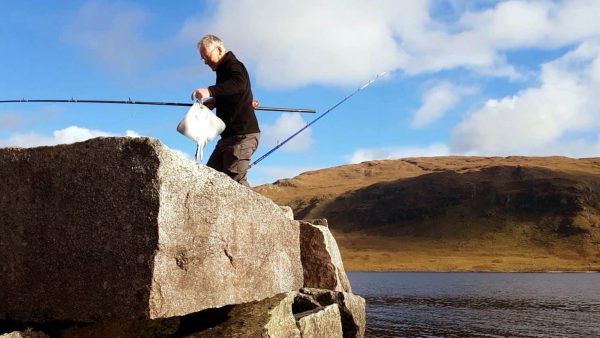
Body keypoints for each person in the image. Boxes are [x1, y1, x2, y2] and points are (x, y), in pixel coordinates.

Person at [191, 34, 260, 187]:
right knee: (209, 178)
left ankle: (260, 211)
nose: (205, 61)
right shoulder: (223, 70)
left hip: (242, 136)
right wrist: (214, 102)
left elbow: (238, 85)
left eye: (207, 56)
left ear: (220, 49)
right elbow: (234, 92)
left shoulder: (233, 65)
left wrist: (210, 91)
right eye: (203, 59)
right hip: (228, 138)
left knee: (235, 183)